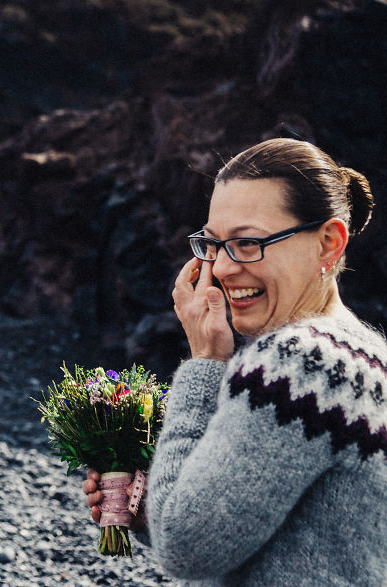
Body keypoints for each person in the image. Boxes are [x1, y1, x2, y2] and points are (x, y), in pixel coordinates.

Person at [82, 138, 387, 585]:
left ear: (328, 243)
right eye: (213, 244)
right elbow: (285, 532)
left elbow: (187, 548)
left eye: (247, 243)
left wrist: (205, 360)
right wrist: (152, 507)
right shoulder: (368, 359)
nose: (221, 268)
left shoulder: (297, 361)